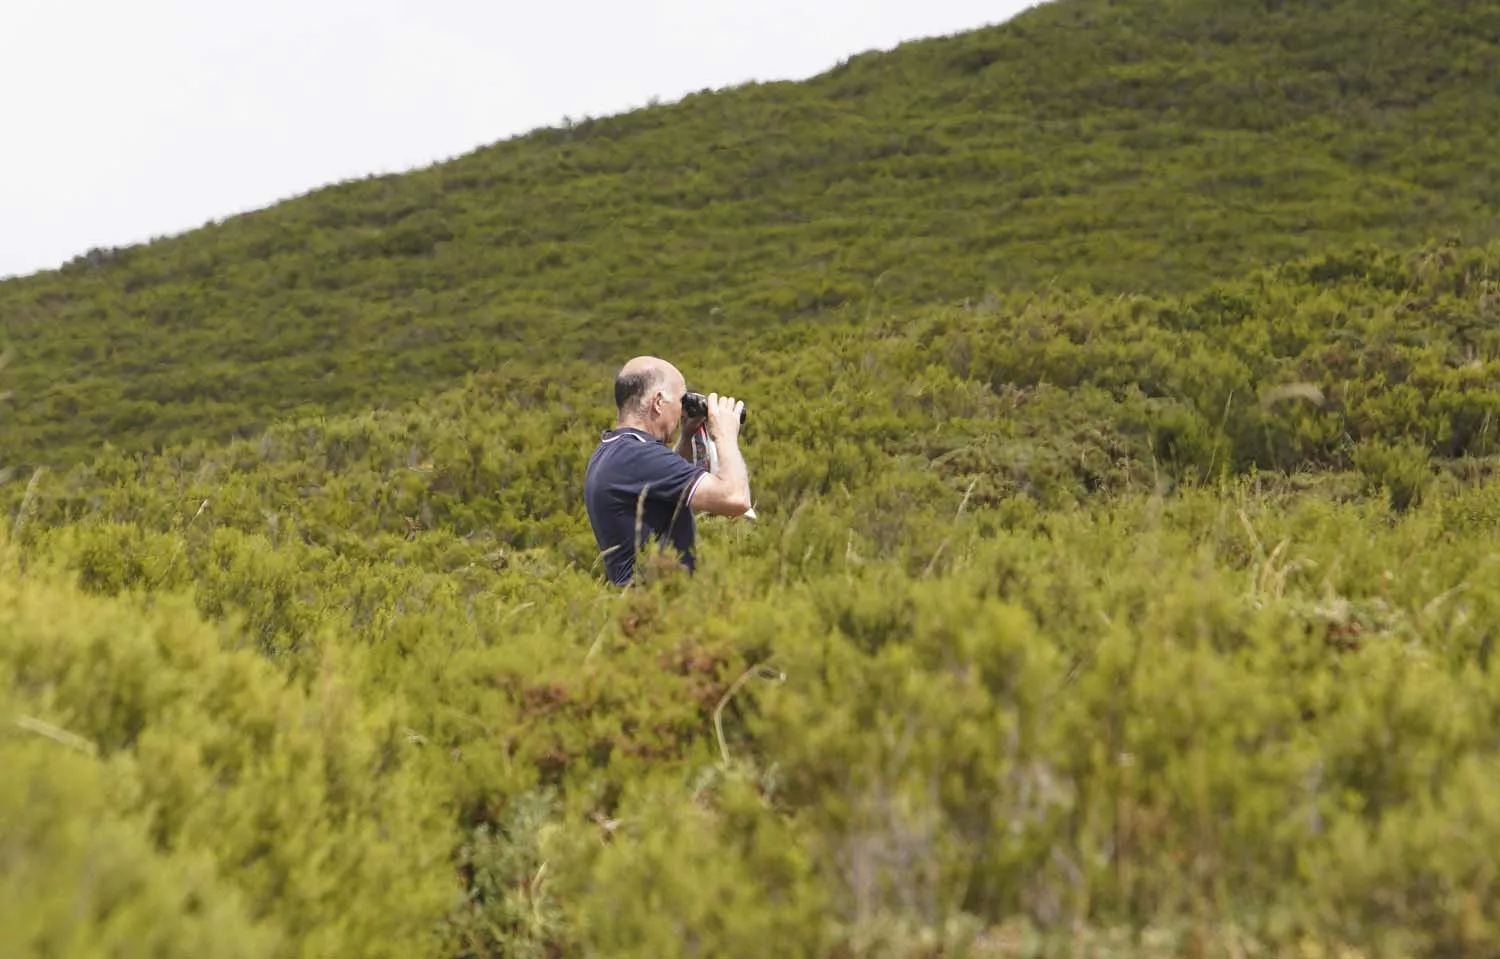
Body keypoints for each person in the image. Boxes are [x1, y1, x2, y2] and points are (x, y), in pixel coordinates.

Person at [583, 356, 752, 586]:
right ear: (658, 402)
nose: (682, 411)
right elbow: (735, 499)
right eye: (681, 401)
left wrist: (687, 435)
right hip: (656, 609)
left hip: (641, 605)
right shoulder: (637, 456)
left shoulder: (615, 450)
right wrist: (725, 434)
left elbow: (667, 480)